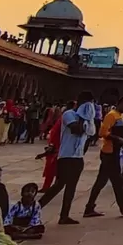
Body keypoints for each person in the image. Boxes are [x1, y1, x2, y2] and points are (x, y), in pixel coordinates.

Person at [39, 95, 91, 225]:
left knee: (71, 188)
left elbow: (91, 133)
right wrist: (85, 117)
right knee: (58, 186)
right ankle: (34, 208)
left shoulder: (87, 118)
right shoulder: (69, 114)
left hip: (78, 157)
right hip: (66, 156)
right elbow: (77, 130)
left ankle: (64, 215)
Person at [84, 96, 123, 217]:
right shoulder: (111, 115)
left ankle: (90, 207)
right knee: (114, 181)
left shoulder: (121, 116)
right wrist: (118, 139)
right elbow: (102, 133)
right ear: (121, 103)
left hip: (115, 152)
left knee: (105, 181)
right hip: (109, 152)